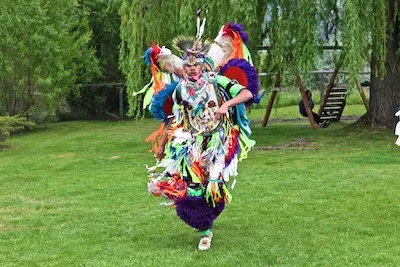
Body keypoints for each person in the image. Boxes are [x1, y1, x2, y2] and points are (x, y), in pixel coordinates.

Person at [147, 49, 256, 250]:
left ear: (203, 65)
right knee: (193, 188)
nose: (191, 70)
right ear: (183, 67)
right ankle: (205, 229)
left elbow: (247, 93)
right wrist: (162, 145)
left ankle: (209, 214)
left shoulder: (217, 82)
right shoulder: (180, 89)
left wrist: (226, 105)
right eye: (187, 66)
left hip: (216, 143)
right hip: (192, 145)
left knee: (213, 186)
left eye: (195, 65)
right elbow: (173, 119)